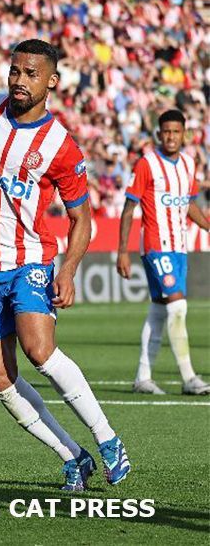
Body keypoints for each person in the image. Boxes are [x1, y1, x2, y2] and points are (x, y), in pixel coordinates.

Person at [0, 39, 130, 491]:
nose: (19, 81)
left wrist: (67, 270)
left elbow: (82, 220)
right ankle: (73, 455)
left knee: (39, 350)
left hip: (28, 259)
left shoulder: (60, 146)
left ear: (52, 81)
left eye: (31, 74)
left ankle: (107, 437)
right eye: (15, 71)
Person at [116, 109, 210, 396]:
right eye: (165, 131)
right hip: (156, 246)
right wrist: (123, 251)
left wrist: (207, 226)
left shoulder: (188, 164)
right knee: (178, 307)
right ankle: (189, 377)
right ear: (158, 134)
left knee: (158, 310)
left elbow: (189, 205)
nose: (170, 136)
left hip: (179, 247)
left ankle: (143, 377)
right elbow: (129, 208)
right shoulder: (147, 164)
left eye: (175, 132)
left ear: (184, 134)